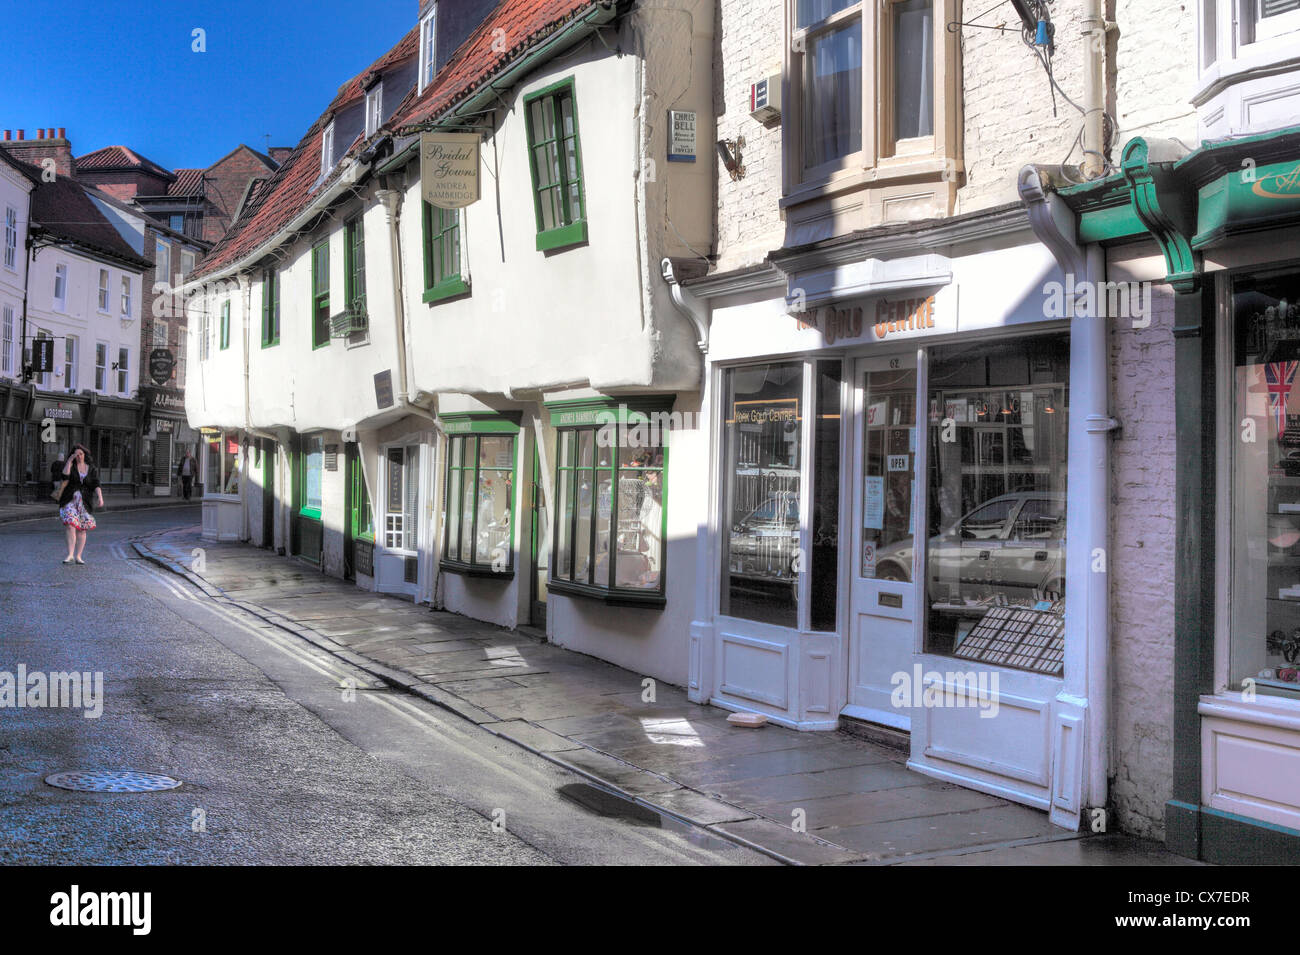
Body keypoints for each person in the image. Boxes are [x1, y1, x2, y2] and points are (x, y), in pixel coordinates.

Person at [58, 444, 102, 565]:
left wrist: (100, 498)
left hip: (85, 502)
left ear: (85, 455)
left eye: (81, 454)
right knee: (70, 525)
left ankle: (78, 556)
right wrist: (70, 460)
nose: (79, 456)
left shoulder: (91, 468)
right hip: (69, 500)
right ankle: (70, 554)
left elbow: (96, 484)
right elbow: (64, 475)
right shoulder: (70, 465)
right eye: (76, 454)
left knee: (82, 529)